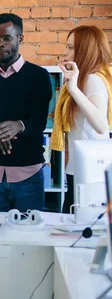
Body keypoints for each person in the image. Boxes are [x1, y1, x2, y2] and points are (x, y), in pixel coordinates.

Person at [0, 13, 52, 212]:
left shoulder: (38, 76)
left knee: (29, 236)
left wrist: (17, 126)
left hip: (28, 174)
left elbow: (39, 122)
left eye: (6, 38)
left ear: (20, 39)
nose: (0, 44)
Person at [51, 25, 112, 213]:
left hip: (90, 172)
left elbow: (101, 126)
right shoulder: (85, 77)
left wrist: (74, 89)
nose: (65, 52)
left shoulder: (93, 79)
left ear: (86, 49)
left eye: (71, 47)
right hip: (80, 168)